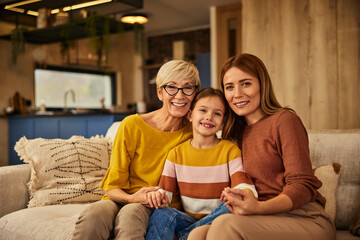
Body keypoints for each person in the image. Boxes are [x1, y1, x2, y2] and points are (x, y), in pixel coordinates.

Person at [187, 53, 336, 240]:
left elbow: (302, 185)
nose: (237, 94)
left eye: (246, 83)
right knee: (197, 234)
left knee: (225, 225)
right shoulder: (233, 133)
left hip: (305, 218)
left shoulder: (285, 121)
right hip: (258, 218)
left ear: (262, 84)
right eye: (229, 87)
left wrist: (258, 207)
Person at [71, 60, 201, 240]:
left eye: (188, 88)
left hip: (157, 204)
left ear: (195, 93)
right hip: (121, 198)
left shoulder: (195, 132)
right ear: (160, 92)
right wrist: (133, 198)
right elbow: (112, 188)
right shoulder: (132, 125)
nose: (180, 95)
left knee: (131, 215)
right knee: (94, 214)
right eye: (171, 87)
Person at [145, 87, 258, 240]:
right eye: (203, 110)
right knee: (162, 213)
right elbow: (165, 194)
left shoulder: (230, 150)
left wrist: (238, 193)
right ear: (190, 115)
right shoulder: (176, 154)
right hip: (188, 220)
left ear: (223, 121)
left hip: (219, 218)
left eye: (217, 113)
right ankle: (188, 235)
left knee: (231, 207)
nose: (209, 117)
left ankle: (184, 237)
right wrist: (157, 196)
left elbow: (244, 186)